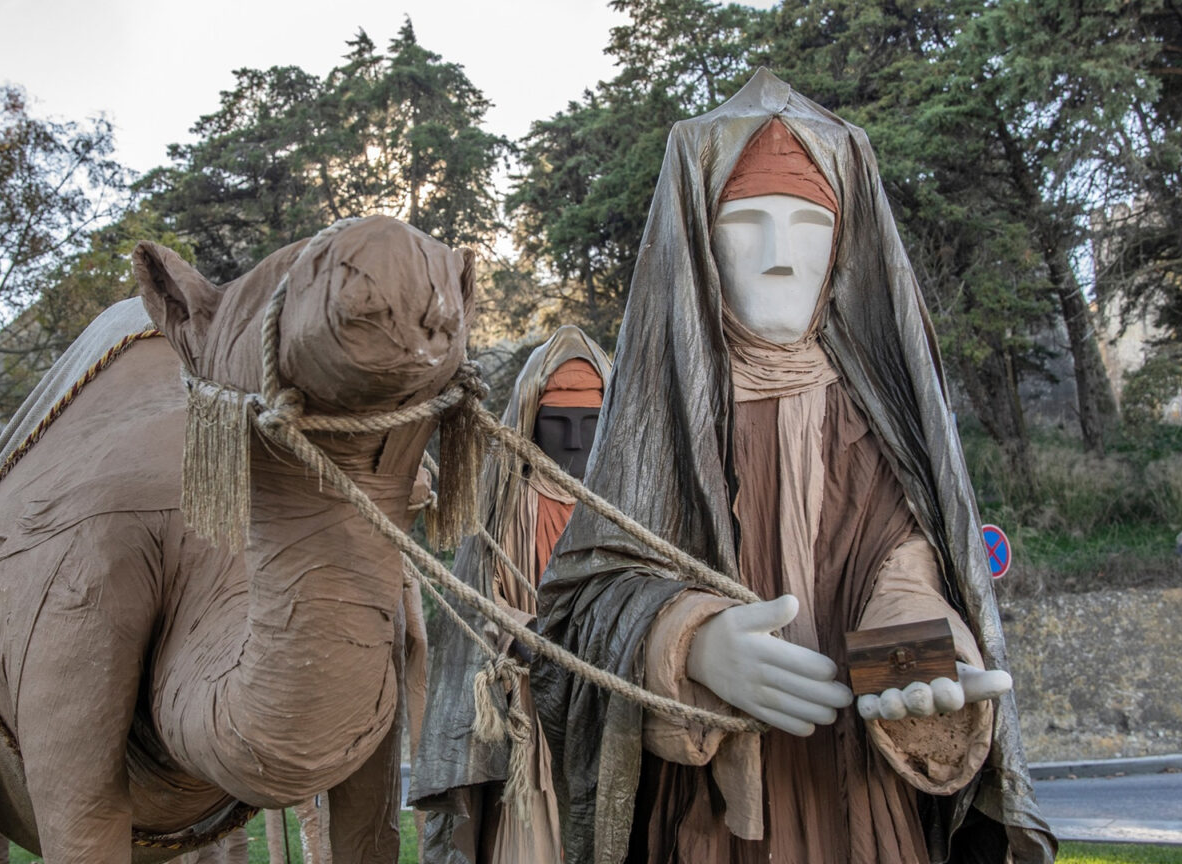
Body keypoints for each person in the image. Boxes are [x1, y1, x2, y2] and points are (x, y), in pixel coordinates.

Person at [532, 68, 1055, 864]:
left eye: (809, 224)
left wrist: (914, 654)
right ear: (701, 242)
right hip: (708, 817)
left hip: (861, 799)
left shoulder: (878, 417)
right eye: (746, 222)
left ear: (843, 245)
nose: (780, 258)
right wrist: (688, 643)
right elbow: (579, 607)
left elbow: (904, 562)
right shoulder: (659, 424)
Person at [412, 325, 612, 864]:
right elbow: (478, 606)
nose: (573, 442)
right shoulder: (506, 503)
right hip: (530, 710)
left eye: (591, 424)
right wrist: (520, 639)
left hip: (613, 705)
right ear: (531, 420)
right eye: (557, 423)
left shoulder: (629, 507)